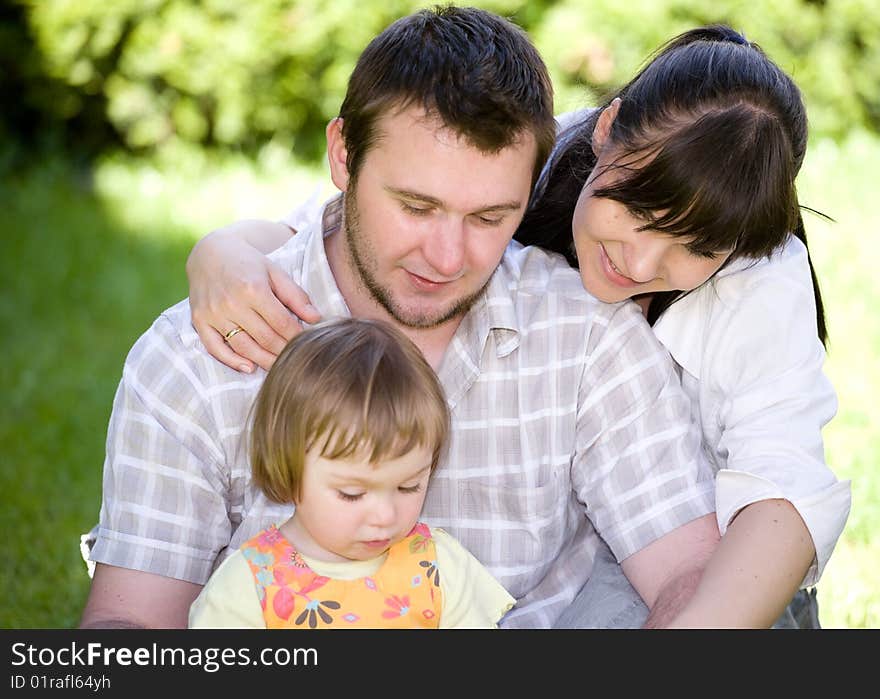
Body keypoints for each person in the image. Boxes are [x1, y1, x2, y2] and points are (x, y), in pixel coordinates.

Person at [80, 5, 725, 630]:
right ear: (343, 157)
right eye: (416, 207)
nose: (447, 258)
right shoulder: (198, 356)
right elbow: (131, 620)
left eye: (489, 218)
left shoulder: (586, 337)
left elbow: (688, 576)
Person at [183, 24, 851, 627]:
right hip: (585, 529)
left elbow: (784, 489)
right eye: (637, 210)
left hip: (727, 565)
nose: (642, 260)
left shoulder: (762, 275)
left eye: (695, 249)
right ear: (607, 128)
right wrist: (224, 249)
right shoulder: (537, 160)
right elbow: (352, 216)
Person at [188, 318, 515, 628]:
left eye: (408, 486)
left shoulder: (439, 567)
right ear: (288, 468)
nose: (385, 515)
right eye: (352, 493)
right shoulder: (249, 586)